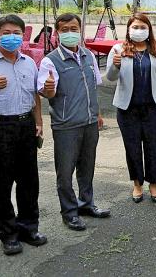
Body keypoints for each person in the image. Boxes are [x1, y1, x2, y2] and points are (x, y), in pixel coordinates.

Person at [0, 15, 46, 256]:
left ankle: (28, 228)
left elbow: (34, 96)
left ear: (23, 36)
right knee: (2, 185)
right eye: (6, 33)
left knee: (29, 182)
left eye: (16, 33)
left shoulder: (29, 62)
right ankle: (8, 233)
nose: (12, 37)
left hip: (25, 125)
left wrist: (39, 121)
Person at [37, 13, 110, 231]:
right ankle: (69, 212)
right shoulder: (50, 60)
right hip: (66, 125)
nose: (70, 33)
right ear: (57, 33)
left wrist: (97, 113)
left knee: (87, 167)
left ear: (80, 30)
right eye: (65, 30)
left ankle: (86, 203)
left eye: (74, 29)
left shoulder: (88, 56)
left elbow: (93, 88)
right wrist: (48, 89)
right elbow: (46, 92)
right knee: (65, 172)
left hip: (89, 122)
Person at [107, 13, 156, 203]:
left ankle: (154, 183)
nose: (139, 30)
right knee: (132, 147)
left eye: (143, 27)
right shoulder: (118, 49)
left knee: (154, 146)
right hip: (127, 109)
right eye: (135, 27)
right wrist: (115, 66)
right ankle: (137, 183)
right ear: (128, 29)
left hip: (152, 107)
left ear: (149, 30)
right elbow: (110, 77)